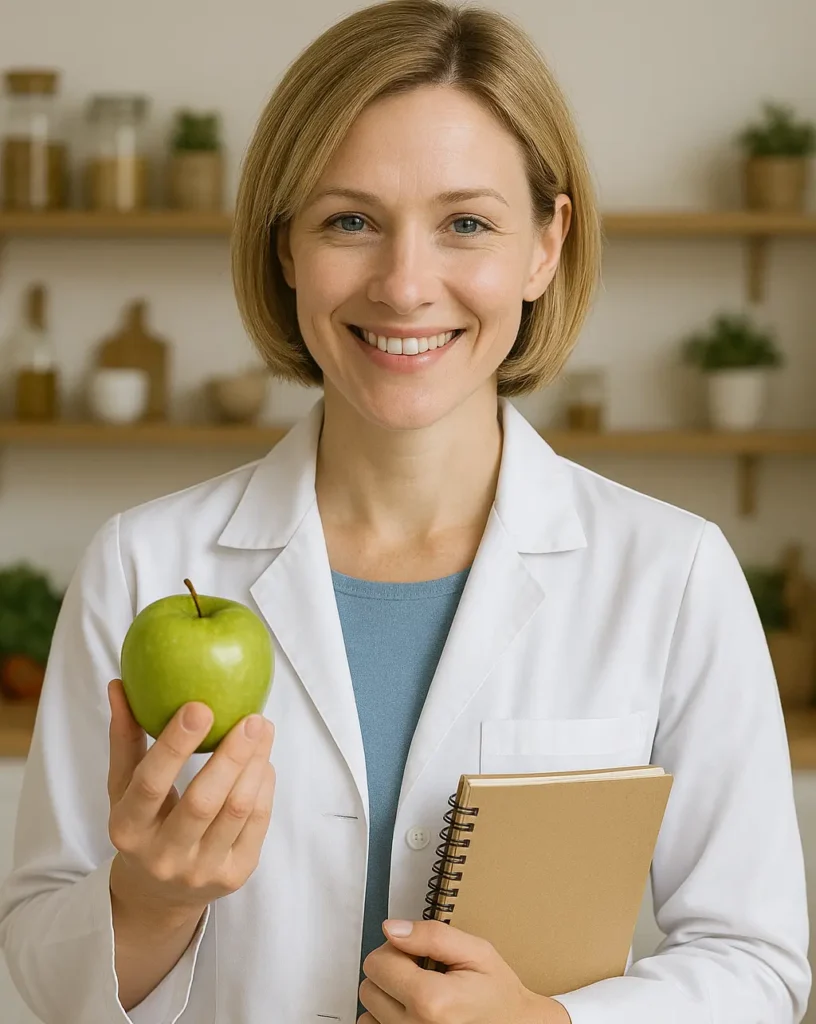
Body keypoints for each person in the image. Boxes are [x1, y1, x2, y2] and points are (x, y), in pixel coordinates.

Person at [0, 0, 810, 1021]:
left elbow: (758, 963)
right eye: (351, 221)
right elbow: (34, 958)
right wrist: (152, 901)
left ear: (544, 247)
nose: (405, 283)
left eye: (466, 222)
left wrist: (553, 1023)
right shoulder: (143, 563)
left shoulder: (673, 574)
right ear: (286, 245)